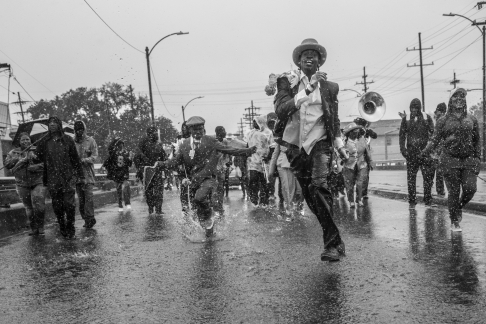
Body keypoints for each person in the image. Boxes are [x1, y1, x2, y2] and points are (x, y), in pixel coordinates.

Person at [274, 38, 349, 261]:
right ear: (298, 60)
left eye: (313, 54)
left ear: (319, 61)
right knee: (310, 196)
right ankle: (336, 238)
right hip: (295, 146)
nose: (309, 57)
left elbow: (332, 118)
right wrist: (307, 88)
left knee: (319, 186)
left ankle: (332, 246)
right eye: (305, 54)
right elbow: (281, 110)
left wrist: (339, 144)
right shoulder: (287, 82)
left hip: (320, 143)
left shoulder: (330, 87)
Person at [159, 116, 256, 231]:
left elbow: (228, 149)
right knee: (196, 208)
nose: (198, 132)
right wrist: (162, 164)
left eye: (200, 129)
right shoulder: (184, 145)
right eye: (195, 129)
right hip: (193, 181)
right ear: (190, 130)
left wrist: (246, 151)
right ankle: (208, 229)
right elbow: (176, 161)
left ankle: (209, 216)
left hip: (208, 178)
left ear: (203, 128)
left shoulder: (211, 141)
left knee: (199, 198)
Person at [421, 88, 480, 231]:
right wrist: (423, 152)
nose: (459, 99)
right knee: (453, 191)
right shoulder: (443, 120)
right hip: (449, 160)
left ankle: (458, 207)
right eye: (456, 96)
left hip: (468, 160)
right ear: (450, 100)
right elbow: (434, 141)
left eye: (462, 96)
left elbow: (477, 141)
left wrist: (478, 158)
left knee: (470, 189)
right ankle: (454, 221)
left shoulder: (471, 119)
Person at [35, 116, 84, 239]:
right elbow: (38, 157)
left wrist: (80, 175)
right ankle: (62, 225)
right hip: (52, 179)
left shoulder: (68, 140)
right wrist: (33, 153)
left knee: (69, 204)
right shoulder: (44, 141)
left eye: (54, 123)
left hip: (67, 177)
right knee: (57, 206)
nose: (51, 125)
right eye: (50, 123)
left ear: (59, 125)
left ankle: (70, 225)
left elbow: (75, 159)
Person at [5, 132, 46, 235]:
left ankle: (41, 226)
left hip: (37, 181)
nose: (25, 141)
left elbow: (46, 163)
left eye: (27, 139)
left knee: (39, 205)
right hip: (22, 183)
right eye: (23, 140)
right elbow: (8, 165)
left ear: (30, 140)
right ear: (19, 142)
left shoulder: (37, 150)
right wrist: (19, 159)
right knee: (29, 208)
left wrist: (35, 167)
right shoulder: (13, 152)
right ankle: (33, 228)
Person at [399, 98, 435, 209]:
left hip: (424, 153)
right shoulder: (406, 119)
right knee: (411, 178)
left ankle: (428, 200)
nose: (414, 109)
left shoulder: (426, 117)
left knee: (427, 178)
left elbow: (433, 133)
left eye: (416, 107)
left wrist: (429, 149)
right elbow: (402, 136)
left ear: (419, 108)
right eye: (412, 107)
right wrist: (403, 150)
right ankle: (412, 201)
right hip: (411, 153)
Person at [269, 143, 304, 221]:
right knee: (288, 188)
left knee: (300, 189)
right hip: (284, 164)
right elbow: (276, 153)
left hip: (300, 163)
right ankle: (289, 210)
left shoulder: (301, 132)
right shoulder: (282, 134)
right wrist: (271, 170)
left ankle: (297, 205)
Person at [74, 120, 98, 229]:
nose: (80, 132)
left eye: (81, 129)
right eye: (77, 130)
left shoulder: (91, 141)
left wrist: (84, 160)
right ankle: (85, 218)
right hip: (77, 176)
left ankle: (90, 217)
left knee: (89, 198)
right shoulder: (72, 142)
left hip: (88, 175)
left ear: (84, 130)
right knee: (81, 200)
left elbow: (94, 156)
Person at [342, 123, 372, 207]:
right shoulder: (344, 142)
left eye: (357, 131)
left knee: (360, 183)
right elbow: (340, 153)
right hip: (349, 165)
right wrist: (343, 157)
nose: (356, 133)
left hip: (362, 164)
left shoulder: (362, 140)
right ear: (350, 133)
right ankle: (351, 200)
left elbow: (367, 152)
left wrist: (370, 162)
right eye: (354, 132)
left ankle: (359, 199)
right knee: (349, 184)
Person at [138, 126, 167, 215]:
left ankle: (158, 209)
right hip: (147, 171)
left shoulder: (158, 145)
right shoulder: (143, 144)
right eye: (153, 132)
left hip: (157, 170)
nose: (155, 134)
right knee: (148, 190)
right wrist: (142, 166)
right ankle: (151, 208)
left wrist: (164, 164)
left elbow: (164, 156)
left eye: (155, 132)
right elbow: (138, 155)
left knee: (159, 190)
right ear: (149, 134)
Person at [246, 115, 272, 207]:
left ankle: (264, 200)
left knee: (264, 182)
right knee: (253, 180)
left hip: (264, 162)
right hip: (253, 162)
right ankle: (254, 198)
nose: (253, 123)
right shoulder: (250, 134)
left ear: (260, 122)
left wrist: (267, 157)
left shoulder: (267, 133)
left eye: (255, 122)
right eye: (253, 122)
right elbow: (247, 146)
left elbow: (270, 147)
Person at [103, 137, 133, 212]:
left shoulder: (126, 153)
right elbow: (110, 149)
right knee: (119, 190)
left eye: (122, 144)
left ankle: (127, 203)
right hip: (116, 174)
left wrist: (130, 158)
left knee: (126, 187)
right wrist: (114, 140)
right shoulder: (114, 153)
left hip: (124, 174)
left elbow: (129, 163)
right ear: (117, 145)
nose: (121, 146)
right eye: (119, 144)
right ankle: (120, 204)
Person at [353, 117, 377, 199]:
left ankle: (364, 193)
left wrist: (368, 132)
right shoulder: (354, 132)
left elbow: (375, 136)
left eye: (360, 125)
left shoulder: (366, 132)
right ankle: (359, 193)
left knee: (365, 176)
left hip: (365, 156)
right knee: (357, 176)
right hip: (355, 156)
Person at [213, 126, 232, 214]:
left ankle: (220, 205)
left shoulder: (225, 142)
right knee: (214, 187)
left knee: (220, 187)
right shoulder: (213, 141)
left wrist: (229, 162)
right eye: (222, 130)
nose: (224, 132)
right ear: (217, 132)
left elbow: (229, 152)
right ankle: (214, 205)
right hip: (213, 169)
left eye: (224, 130)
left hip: (222, 168)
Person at [432, 103, 447, 198]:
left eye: (437, 111)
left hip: (441, 152)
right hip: (438, 152)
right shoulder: (438, 121)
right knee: (439, 173)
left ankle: (441, 192)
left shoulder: (444, 121)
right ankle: (440, 191)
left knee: (440, 173)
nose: (435, 113)